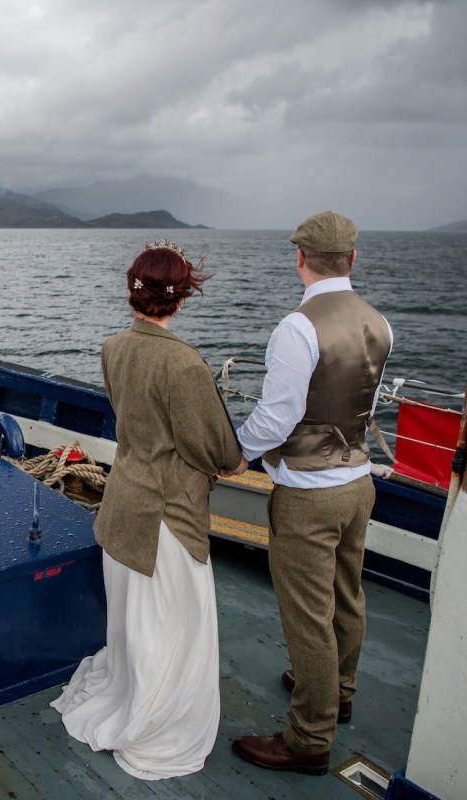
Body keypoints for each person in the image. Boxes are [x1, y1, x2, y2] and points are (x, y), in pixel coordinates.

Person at [50, 240, 243, 780]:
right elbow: (217, 452)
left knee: (136, 627)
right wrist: (233, 458)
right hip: (169, 518)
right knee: (174, 630)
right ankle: (155, 725)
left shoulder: (113, 348)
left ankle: (130, 700)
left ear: (133, 289)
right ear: (180, 297)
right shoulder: (184, 364)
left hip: (123, 505)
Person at [225, 210, 393, 775]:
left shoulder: (297, 327)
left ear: (300, 259)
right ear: (354, 259)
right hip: (358, 482)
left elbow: (277, 419)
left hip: (308, 493)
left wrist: (238, 451)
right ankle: (339, 692)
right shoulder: (380, 322)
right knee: (348, 594)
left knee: (307, 618)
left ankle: (308, 738)